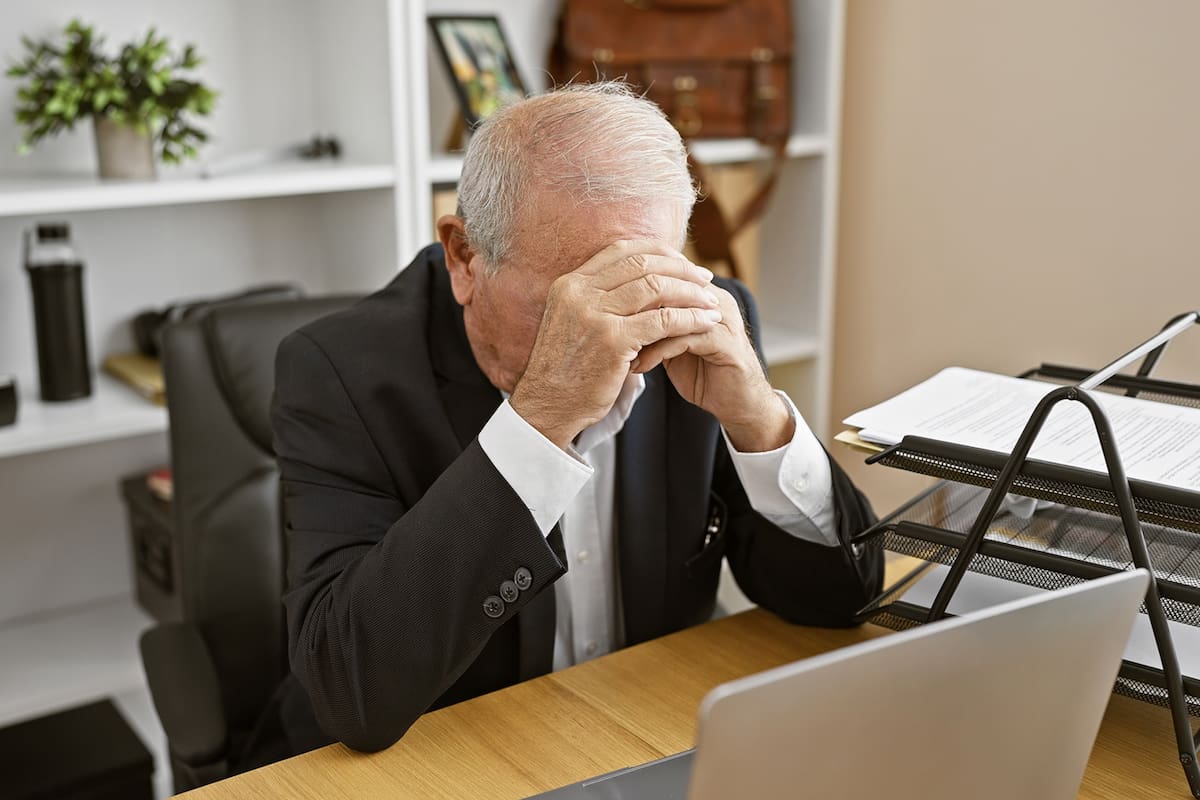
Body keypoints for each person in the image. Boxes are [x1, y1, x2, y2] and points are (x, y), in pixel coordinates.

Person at [270, 82, 882, 755]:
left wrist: (759, 420)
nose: (616, 332)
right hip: (452, 756)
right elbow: (350, 690)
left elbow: (843, 601)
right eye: (573, 299)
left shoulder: (697, 320)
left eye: (638, 280)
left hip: (644, 730)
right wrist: (540, 422)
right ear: (464, 257)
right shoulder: (336, 370)